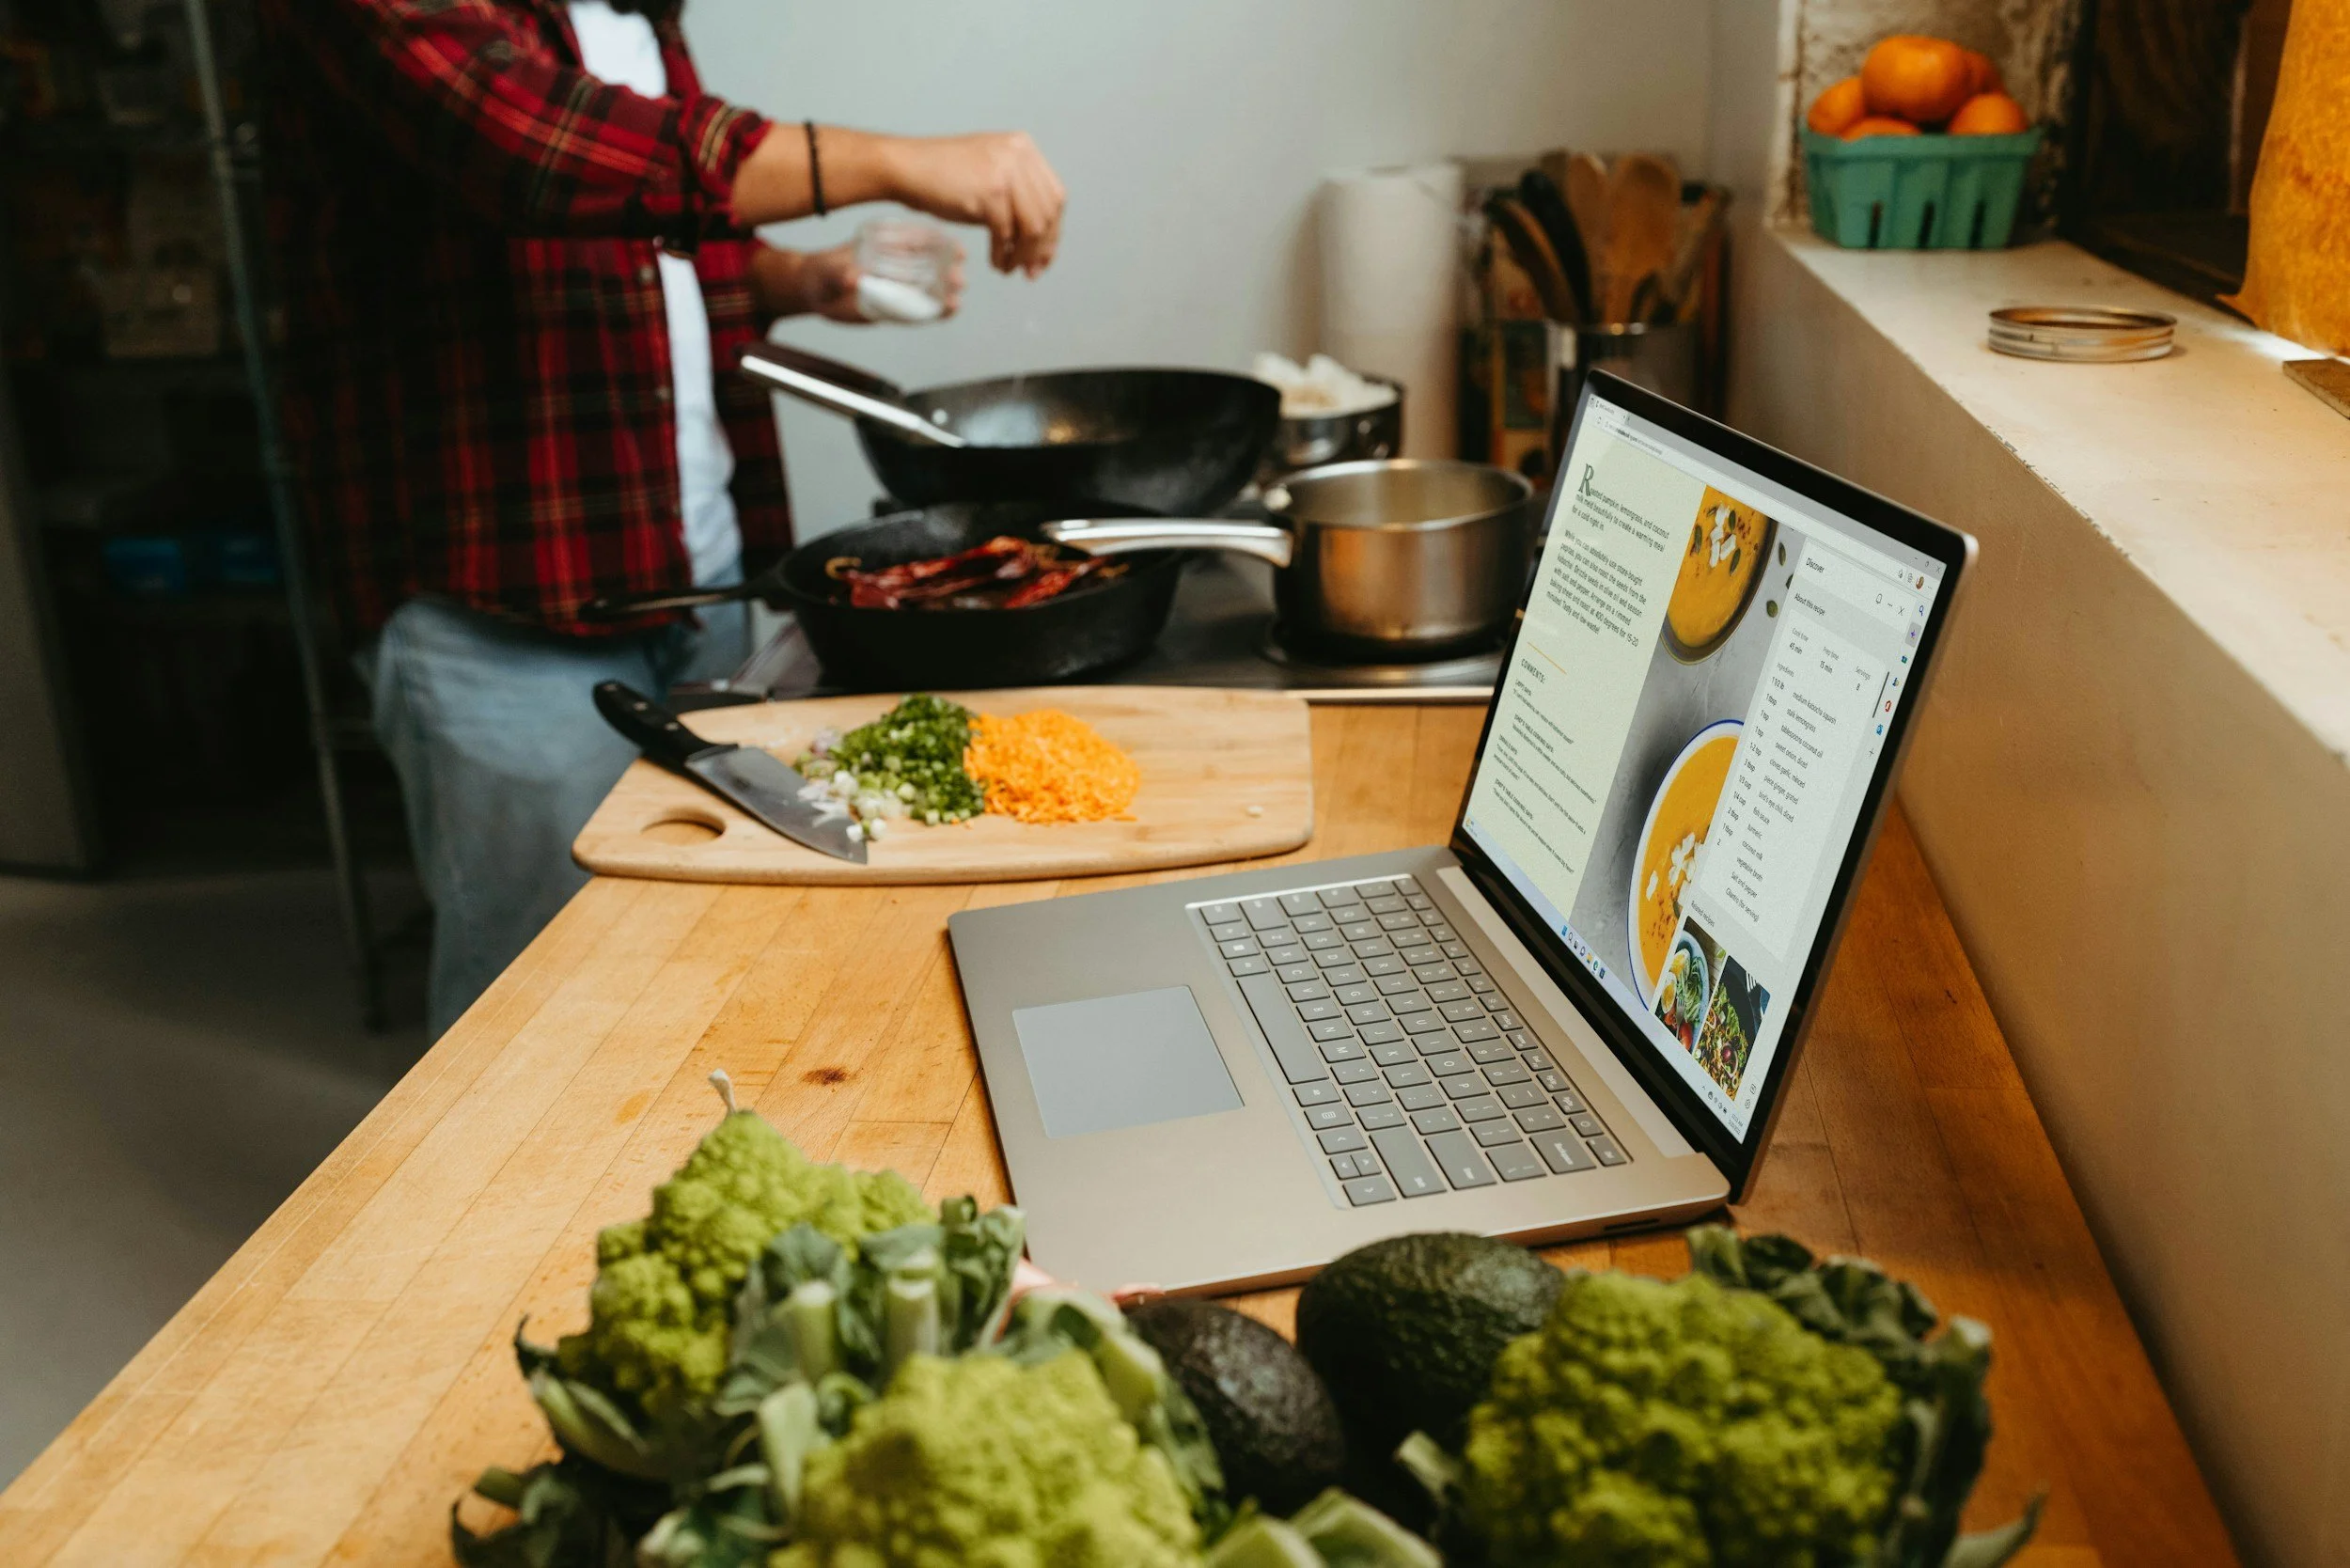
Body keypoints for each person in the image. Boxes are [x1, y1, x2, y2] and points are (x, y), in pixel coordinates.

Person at [255, 0, 1065, 1038]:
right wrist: (896, 160)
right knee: (542, 1006)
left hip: (696, 575)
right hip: (496, 605)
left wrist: (795, 278)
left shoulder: (629, 12)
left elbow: (633, 244)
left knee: (698, 965)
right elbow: (540, 155)